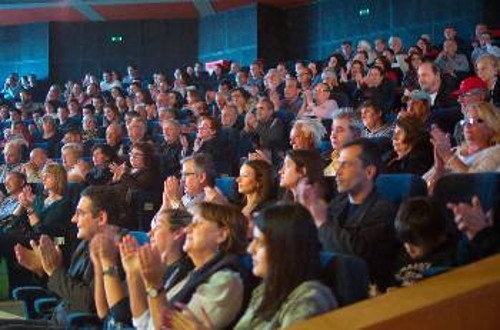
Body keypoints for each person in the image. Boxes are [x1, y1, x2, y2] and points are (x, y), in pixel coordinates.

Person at [9, 186, 122, 327]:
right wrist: (43, 270)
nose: (74, 219)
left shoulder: (114, 251)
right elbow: (66, 292)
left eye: (80, 213)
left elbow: (89, 303)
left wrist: (53, 271)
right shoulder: (85, 244)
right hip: (54, 320)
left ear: (101, 218)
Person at [134, 202, 249, 330]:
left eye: (196, 224)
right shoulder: (189, 271)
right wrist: (132, 273)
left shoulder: (225, 281)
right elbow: (146, 324)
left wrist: (154, 285)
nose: (187, 229)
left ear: (221, 235)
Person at [306, 138, 399, 290]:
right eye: (338, 164)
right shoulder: (338, 203)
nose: (338, 171)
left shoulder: (383, 210)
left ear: (369, 172)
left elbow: (355, 255)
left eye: (346, 164)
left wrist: (321, 221)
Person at [90, 208, 194, 328]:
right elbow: (104, 313)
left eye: (158, 227)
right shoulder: (147, 263)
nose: (150, 233)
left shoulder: (180, 274)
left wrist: (109, 263)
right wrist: (99, 266)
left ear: (177, 233)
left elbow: (122, 316)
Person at [425, 102, 500, 191]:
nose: (468, 125)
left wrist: (448, 157)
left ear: (492, 127)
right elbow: (422, 185)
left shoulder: (496, 152)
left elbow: (476, 182)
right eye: (466, 120)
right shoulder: (455, 151)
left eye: (478, 120)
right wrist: (438, 170)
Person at [394, 197, 458, 287]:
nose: (408, 249)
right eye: (405, 241)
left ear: (438, 238)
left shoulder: (450, 257)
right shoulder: (402, 255)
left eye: (415, 244)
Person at [323, 108, 363, 177]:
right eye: (332, 130)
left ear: (356, 135)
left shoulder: (361, 163)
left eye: (339, 130)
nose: (333, 135)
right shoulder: (326, 156)